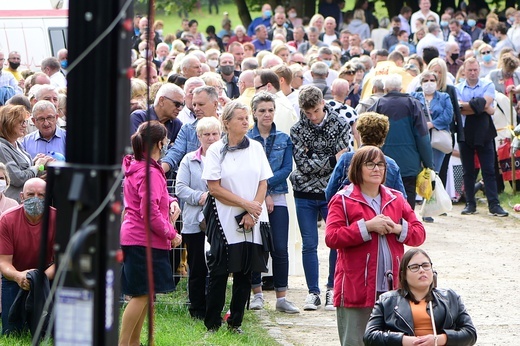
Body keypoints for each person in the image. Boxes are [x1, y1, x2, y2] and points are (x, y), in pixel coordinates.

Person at [325, 146, 426, 346]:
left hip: (393, 289)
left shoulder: (396, 198)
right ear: (357, 169)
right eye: (369, 164)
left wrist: (397, 228)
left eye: (380, 164)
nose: (376, 169)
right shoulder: (342, 200)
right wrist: (367, 227)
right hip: (355, 289)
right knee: (355, 342)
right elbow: (332, 237)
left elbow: (419, 234)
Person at [202, 101, 273, 333]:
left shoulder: (256, 148)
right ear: (227, 123)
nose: (246, 121)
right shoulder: (215, 150)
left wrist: (253, 210)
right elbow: (214, 188)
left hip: (253, 217)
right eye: (240, 118)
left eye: (246, 118)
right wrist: (245, 205)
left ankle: (236, 322)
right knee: (219, 271)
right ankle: (212, 323)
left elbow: (263, 182)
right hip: (224, 217)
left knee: (246, 270)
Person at [290, 85, 355, 312]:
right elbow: (302, 164)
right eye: (308, 113)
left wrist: (316, 157)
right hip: (304, 193)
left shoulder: (340, 124)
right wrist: (327, 160)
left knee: (335, 242)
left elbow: (342, 160)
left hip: (333, 192)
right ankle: (312, 292)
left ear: (323, 104)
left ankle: (332, 289)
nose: (312, 117)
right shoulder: (297, 129)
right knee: (309, 243)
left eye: (316, 111)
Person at [119, 121, 182, 345]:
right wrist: (171, 233)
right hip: (143, 239)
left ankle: (134, 342)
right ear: (159, 143)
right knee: (141, 295)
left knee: (144, 294)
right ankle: (124, 343)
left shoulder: (138, 165)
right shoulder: (150, 171)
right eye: (165, 142)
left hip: (135, 237)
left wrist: (171, 202)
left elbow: (155, 197)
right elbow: (149, 210)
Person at [246, 92, 299, 314]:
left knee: (279, 247)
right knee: (256, 246)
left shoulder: (284, 139)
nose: (267, 114)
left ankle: (281, 296)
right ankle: (257, 293)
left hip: (277, 197)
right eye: (262, 111)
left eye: (270, 110)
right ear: (254, 113)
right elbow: (248, 169)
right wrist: (261, 192)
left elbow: (287, 168)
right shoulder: (247, 139)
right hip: (253, 200)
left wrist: (266, 187)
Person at [364, 248, 477, 345]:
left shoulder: (451, 297)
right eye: (414, 267)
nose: (422, 270)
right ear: (403, 274)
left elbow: (470, 333)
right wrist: (403, 341)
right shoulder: (387, 300)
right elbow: (369, 336)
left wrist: (440, 339)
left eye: (426, 266)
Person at [175, 117, 221, 320]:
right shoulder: (188, 159)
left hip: (220, 221)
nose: (211, 138)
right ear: (198, 137)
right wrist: (200, 196)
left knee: (218, 268)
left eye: (214, 134)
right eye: (206, 135)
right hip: (194, 221)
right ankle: (196, 309)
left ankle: (214, 309)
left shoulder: (225, 158)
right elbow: (180, 188)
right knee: (197, 268)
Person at [368, 74, 433, 209]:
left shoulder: (378, 105)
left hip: (383, 163)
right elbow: (422, 137)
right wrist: (428, 164)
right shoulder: (413, 104)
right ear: (401, 88)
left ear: (385, 88)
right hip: (409, 164)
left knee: (385, 200)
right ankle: (406, 227)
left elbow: (369, 137)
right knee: (407, 202)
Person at [0, 178, 56, 335]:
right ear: (22, 196)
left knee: (48, 331)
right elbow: (3, 263)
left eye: (41, 195)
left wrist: (38, 278)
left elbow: (62, 261)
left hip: (46, 276)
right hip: (14, 276)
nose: (36, 199)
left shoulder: (57, 218)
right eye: (31, 194)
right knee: (11, 332)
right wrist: (19, 277)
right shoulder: (7, 219)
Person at [456, 58, 508, 217]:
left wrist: (469, 106)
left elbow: (486, 103)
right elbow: (459, 108)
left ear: (479, 70)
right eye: (469, 70)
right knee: (468, 170)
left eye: (475, 70)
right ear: (464, 70)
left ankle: (494, 204)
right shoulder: (457, 88)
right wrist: (482, 107)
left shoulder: (488, 84)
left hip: (485, 131)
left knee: (489, 170)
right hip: (465, 131)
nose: (472, 73)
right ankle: (470, 203)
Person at [326, 112, 406, 202]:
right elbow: (401, 198)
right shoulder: (391, 164)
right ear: (383, 136)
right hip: (382, 212)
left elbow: (330, 191)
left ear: (360, 133)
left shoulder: (346, 159)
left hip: (351, 211)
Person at [0, 105, 53, 202]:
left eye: (25, 122)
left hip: (26, 203)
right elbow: (17, 178)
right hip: (14, 203)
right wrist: (36, 166)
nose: (25, 125)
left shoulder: (17, 143)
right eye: (21, 122)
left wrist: (39, 162)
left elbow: (24, 169)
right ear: (8, 123)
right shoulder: (1, 147)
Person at [411, 71, 453, 173]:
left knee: (435, 172)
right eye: (425, 80)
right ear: (421, 83)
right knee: (419, 171)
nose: (429, 83)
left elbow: (448, 116)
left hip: (437, 139)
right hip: (419, 137)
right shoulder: (414, 96)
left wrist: (432, 124)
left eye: (432, 80)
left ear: (437, 82)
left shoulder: (444, 97)